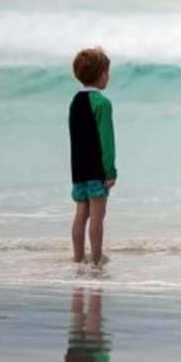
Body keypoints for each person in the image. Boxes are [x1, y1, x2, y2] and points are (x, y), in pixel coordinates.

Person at [69, 46, 117, 266]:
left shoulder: (75, 102)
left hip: (78, 169)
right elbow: (106, 141)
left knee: (81, 214)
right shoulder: (102, 103)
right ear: (101, 75)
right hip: (97, 170)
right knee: (98, 216)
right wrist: (110, 171)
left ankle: (78, 258)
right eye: (107, 72)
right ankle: (97, 258)